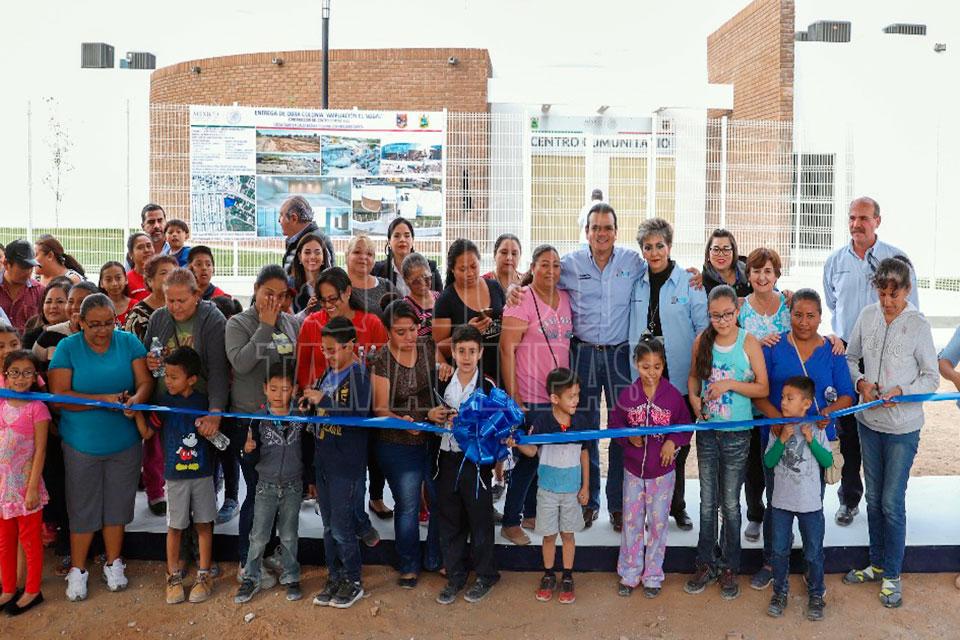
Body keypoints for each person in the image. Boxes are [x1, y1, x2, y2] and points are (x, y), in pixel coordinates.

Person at [842, 257, 937, 608]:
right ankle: (877, 564)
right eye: (882, 294)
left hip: (902, 429)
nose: (886, 302)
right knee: (872, 499)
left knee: (891, 503)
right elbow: (850, 358)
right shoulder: (867, 316)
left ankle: (893, 575)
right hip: (869, 424)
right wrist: (861, 383)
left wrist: (902, 391)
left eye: (893, 295)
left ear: (907, 291)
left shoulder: (918, 325)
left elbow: (931, 377)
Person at [47, 293, 153, 601]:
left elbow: (145, 383)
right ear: (80, 322)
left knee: (117, 506)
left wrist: (136, 400)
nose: (103, 330)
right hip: (81, 444)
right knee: (82, 507)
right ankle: (78, 569)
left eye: (109, 323)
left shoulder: (129, 343)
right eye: (94, 325)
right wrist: (102, 400)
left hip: (125, 443)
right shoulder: (68, 348)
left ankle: (113, 563)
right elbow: (59, 396)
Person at [750, 288, 855, 590]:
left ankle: (812, 564)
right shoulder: (773, 347)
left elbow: (847, 395)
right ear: (790, 315)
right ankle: (771, 562)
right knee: (776, 501)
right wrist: (778, 421)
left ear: (821, 317)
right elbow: (758, 392)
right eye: (798, 315)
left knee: (812, 504)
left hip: (816, 440)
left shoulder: (832, 351)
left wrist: (828, 413)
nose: (804, 322)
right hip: (777, 437)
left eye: (811, 316)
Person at [823, 196, 918, 528]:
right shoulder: (834, 262)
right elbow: (833, 304)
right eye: (852, 218)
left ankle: (890, 504)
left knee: (886, 430)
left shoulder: (896, 259)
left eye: (863, 218)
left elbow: (912, 311)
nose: (856, 224)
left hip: (887, 356)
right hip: (847, 356)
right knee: (848, 431)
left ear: (878, 220)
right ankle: (849, 500)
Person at [684, 285, 768, 600]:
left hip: (737, 433)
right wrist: (694, 400)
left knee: (730, 504)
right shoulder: (702, 341)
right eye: (715, 315)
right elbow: (694, 377)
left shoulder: (748, 342)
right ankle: (705, 562)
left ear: (737, 311)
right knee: (707, 502)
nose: (721, 321)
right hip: (708, 431)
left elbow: (762, 388)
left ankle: (730, 565)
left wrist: (730, 384)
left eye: (727, 314)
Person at [626, 217, 708, 533]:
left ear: (670, 246)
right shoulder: (636, 282)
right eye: (648, 247)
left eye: (659, 245)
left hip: (680, 378)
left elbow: (703, 329)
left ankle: (677, 506)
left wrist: (699, 374)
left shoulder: (689, 282)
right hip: (646, 378)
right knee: (648, 443)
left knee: (678, 446)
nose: (654, 252)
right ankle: (650, 506)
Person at [225, 264, 300, 569]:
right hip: (249, 421)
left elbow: (294, 365)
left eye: (281, 296)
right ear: (255, 290)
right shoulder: (237, 323)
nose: (275, 301)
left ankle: (271, 552)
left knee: (282, 494)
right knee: (258, 492)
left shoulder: (291, 323)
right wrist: (265, 326)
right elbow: (241, 363)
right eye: (269, 293)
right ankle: (247, 559)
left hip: (283, 422)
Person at [370, 300, 449, 588]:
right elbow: (380, 409)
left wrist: (444, 368)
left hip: (431, 437)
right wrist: (407, 423)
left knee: (441, 499)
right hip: (396, 442)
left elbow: (441, 372)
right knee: (408, 505)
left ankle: (436, 557)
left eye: (413, 329)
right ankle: (408, 564)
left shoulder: (427, 346)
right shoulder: (381, 359)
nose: (409, 336)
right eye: (400, 332)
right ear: (388, 331)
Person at [499, 244, 573, 545]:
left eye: (556, 265)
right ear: (532, 267)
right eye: (544, 264)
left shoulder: (565, 298)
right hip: (529, 393)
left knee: (542, 458)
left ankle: (530, 513)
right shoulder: (522, 299)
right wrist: (514, 394)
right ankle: (510, 521)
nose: (550, 270)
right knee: (527, 459)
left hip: (555, 397)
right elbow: (506, 349)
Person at [610, 337, 692, 598]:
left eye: (657, 366)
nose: (651, 372)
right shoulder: (628, 394)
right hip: (633, 473)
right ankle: (629, 572)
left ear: (663, 365)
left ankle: (653, 575)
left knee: (658, 524)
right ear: (636, 364)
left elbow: (685, 427)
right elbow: (615, 424)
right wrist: (629, 438)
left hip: (662, 474)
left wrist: (672, 441)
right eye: (645, 367)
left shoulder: (673, 396)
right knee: (631, 522)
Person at [143, 268, 230, 515]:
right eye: (170, 300)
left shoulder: (212, 319)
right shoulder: (159, 317)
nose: (175, 306)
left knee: (202, 470)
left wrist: (215, 413)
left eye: (181, 300)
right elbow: (147, 356)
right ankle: (178, 520)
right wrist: (150, 362)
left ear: (196, 295)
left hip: (200, 407)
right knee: (174, 468)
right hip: (168, 408)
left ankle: (203, 520)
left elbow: (219, 371)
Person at [300, 316, 372, 609]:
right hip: (324, 462)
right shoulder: (326, 375)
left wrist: (323, 400)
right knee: (329, 526)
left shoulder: (360, 376)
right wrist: (308, 404)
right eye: (324, 350)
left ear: (350, 346)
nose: (327, 355)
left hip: (347, 465)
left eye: (332, 350)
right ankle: (335, 575)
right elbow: (318, 415)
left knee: (342, 527)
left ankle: (353, 580)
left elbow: (358, 415)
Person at [507, 367, 589, 605]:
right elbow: (533, 450)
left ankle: (568, 576)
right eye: (571, 396)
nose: (576, 400)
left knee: (568, 535)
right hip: (547, 492)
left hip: (572, 491)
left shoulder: (580, 421)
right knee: (549, 536)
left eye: (577, 395)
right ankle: (549, 574)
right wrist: (516, 443)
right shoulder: (542, 422)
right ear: (554, 398)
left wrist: (585, 487)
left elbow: (584, 454)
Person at [434, 325, 499, 605]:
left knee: (480, 519)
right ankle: (455, 575)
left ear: (481, 352)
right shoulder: (442, 381)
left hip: (475, 463)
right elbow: (430, 413)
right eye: (461, 351)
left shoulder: (488, 387)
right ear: (453, 352)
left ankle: (486, 575)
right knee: (450, 519)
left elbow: (497, 426)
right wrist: (435, 415)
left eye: (472, 351)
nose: (467, 357)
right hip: (446, 459)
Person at [235, 362, 308, 604]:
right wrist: (247, 451)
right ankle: (251, 577)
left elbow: (308, 450)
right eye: (274, 389)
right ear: (265, 388)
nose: (278, 395)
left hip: (293, 486)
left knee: (289, 535)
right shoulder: (257, 419)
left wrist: (310, 480)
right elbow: (250, 456)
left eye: (285, 389)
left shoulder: (301, 417)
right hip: (265, 486)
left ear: (294, 390)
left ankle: (291, 576)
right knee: (258, 536)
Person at [150, 347, 216, 605]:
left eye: (174, 377)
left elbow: (216, 435)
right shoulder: (163, 403)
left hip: (203, 474)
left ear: (192, 379)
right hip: (174, 477)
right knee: (175, 527)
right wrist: (132, 413)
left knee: (204, 524)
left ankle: (204, 574)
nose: (168, 381)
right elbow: (148, 432)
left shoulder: (204, 403)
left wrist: (211, 428)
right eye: (166, 375)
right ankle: (173, 577)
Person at [763, 376, 831, 622]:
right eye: (782, 397)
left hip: (810, 503)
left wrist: (811, 441)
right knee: (779, 551)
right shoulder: (778, 428)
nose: (783, 402)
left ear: (806, 404)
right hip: (781, 502)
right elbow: (769, 462)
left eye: (789, 398)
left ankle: (816, 594)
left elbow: (828, 461)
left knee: (813, 552)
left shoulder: (817, 428)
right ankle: (779, 593)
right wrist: (781, 440)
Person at [737, 248, 791, 543]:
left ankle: (780, 518)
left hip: (784, 398)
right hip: (752, 398)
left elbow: (806, 332)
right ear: (749, 275)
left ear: (777, 275)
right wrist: (756, 342)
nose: (762, 276)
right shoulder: (741, 307)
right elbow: (732, 346)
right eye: (756, 271)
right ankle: (755, 515)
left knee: (783, 462)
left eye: (768, 271)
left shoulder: (788, 303)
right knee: (755, 464)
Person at [0, 350, 50, 615]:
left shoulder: (37, 408)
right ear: (5, 376)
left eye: (27, 372)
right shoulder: (1, 404)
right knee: (5, 541)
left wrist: (32, 488)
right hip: (3, 488)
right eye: (15, 373)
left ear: (35, 376)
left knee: (30, 541)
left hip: (26, 488)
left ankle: (32, 590)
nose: (20, 378)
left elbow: (40, 450)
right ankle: (9, 588)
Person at [296, 267, 388, 390]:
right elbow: (302, 368)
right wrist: (312, 393)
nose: (328, 305)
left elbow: (383, 371)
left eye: (333, 299)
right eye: (322, 300)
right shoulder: (311, 323)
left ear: (348, 291)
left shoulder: (372, 324)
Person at [433, 239, 505, 384]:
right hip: (466, 378)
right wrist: (467, 332)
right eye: (463, 269)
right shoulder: (446, 300)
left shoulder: (495, 287)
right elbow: (437, 348)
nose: (470, 273)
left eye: (473, 266)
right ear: (452, 270)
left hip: (499, 371)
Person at [32, 281, 99, 369]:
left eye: (81, 302)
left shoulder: (104, 334)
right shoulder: (50, 333)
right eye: (70, 301)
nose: (74, 307)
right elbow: (33, 367)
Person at [372, 217, 443, 296]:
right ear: (389, 242)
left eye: (407, 236)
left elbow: (440, 299)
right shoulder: (377, 271)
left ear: (412, 240)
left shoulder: (430, 269)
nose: (402, 239)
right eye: (396, 236)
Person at [124, 255, 179, 343]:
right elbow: (131, 347)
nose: (170, 277)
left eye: (173, 273)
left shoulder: (183, 308)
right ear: (149, 281)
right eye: (164, 273)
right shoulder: (138, 316)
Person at [0, 240, 45, 334]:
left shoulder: (40, 292)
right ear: (6, 264)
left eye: (31, 267)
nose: (28, 272)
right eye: (23, 267)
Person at [280, 195, 330, 277]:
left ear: (294, 218)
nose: (279, 220)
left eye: (281, 215)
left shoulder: (318, 240)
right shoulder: (294, 240)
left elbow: (328, 279)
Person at [346, 234, 395, 316]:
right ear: (347, 256)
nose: (363, 257)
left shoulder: (386, 286)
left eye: (369, 254)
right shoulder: (336, 286)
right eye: (357, 252)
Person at [290, 231, 334, 317]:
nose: (312, 257)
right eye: (307, 252)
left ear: (324, 257)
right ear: (299, 257)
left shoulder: (334, 284)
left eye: (317, 252)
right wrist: (306, 311)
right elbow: (287, 320)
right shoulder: (290, 286)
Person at [21, 277, 71, 351]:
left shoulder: (80, 334)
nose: (53, 306)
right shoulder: (31, 337)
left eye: (60, 301)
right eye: (48, 302)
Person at [401, 252, 441, 338]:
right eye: (416, 281)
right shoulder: (405, 307)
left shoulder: (439, 297)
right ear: (406, 281)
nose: (423, 284)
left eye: (426, 278)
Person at [701, 229, 751, 296]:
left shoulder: (749, 273)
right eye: (716, 249)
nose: (721, 254)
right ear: (708, 252)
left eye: (726, 249)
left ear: (734, 251)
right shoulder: (701, 282)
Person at [99, 261, 136, 327]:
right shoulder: (97, 307)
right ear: (101, 283)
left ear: (126, 279)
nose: (114, 283)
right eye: (108, 280)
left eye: (118, 278)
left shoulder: (135, 306)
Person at [125, 233, 156, 301]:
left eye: (149, 246)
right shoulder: (126, 281)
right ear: (130, 254)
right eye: (140, 247)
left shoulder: (163, 275)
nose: (146, 250)